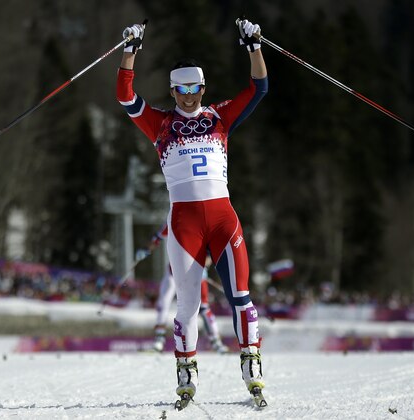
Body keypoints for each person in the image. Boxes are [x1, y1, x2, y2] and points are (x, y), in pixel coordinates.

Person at [116, 18, 268, 404]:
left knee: (241, 296)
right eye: (180, 89)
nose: (188, 96)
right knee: (188, 304)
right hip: (184, 224)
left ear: (203, 88)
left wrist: (253, 47)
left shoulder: (220, 117)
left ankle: (251, 363)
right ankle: (186, 370)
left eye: (194, 88)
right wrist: (130, 51)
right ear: (172, 90)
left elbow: (259, 87)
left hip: (222, 218)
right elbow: (125, 96)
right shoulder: (160, 123)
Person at [138, 224, 229, 353]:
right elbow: (157, 238)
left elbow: (210, 255)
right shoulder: (176, 220)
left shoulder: (202, 225)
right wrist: (147, 249)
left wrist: (202, 266)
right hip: (173, 272)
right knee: (163, 302)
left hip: (195, 274)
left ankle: (216, 343)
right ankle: (159, 340)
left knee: (203, 307)